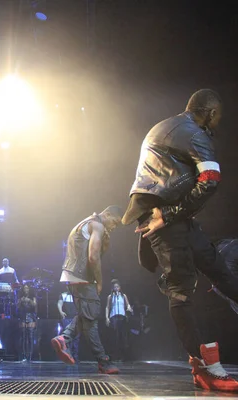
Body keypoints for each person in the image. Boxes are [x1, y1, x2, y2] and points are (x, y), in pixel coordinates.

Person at [122, 89, 238, 392]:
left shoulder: (166, 126)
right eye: (218, 117)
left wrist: (172, 214)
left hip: (172, 217)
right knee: (182, 290)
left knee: (221, 272)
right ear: (210, 113)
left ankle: (205, 365)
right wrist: (170, 214)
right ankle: (205, 367)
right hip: (163, 217)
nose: (218, 123)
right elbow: (210, 181)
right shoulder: (193, 133)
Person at [51, 206, 123, 374]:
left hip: (71, 275)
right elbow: (93, 256)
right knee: (91, 320)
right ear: (107, 215)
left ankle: (64, 338)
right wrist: (99, 280)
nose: (113, 227)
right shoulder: (97, 225)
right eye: (114, 222)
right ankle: (103, 360)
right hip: (83, 277)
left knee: (85, 315)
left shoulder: (84, 223)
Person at [105, 279, 133, 361]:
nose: (116, 288)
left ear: (120, 288)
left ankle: (123, 356)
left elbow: (128, 305)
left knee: (123, 336)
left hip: (122, 317)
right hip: (113, 317)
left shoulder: (123, 296)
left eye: (117, 287)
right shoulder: (110, 297)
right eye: (115, 287)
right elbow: (107, 307)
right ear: (113, 288)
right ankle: (114, 355)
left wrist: (129, 308)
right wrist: (107, 318)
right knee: (115, 336)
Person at [57, 288, 80, 362]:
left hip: (75, 318)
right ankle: (68, 356)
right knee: (67, 338)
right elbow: (59, 303)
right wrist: (61, 312)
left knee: (76, 338)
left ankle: (75, 356)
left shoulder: (77, 295)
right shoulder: (63, 295)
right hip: (67, 318)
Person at [17, 284, 38, 362]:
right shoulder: (21, 298)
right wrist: (21, 300)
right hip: (23, 316)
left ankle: (30, 356)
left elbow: (35, 306)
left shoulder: (33, 297)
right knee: (23, 336)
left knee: (30, 337)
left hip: (31, 317)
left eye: (27, 288)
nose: (26, 289)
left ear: (29, 289)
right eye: (25, 288)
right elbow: (18, 307)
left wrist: (29, 300)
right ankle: (23, 356)